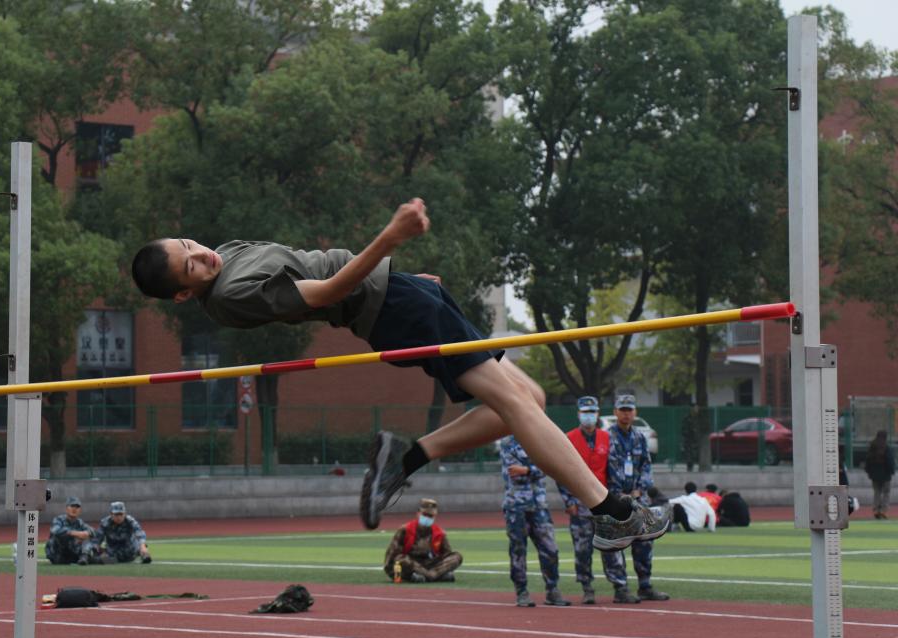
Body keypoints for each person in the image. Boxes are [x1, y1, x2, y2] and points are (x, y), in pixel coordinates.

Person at [131, 200, 667, 550]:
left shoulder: (225, 255)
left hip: (402, 295)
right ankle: (609, 510)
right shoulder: (231, 294)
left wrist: (404, 277)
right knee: (520, 407)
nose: (200, 255)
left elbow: (315, 263)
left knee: (528, 393)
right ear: (184, 293)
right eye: (189, 266)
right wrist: (391, 238)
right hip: (393, 312)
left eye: (187, 244)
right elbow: (326, 292)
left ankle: (407, 456)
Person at [558, 396, 633, 605]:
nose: (588, 416)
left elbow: (614, 470)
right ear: (578, 414)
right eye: (584, 412)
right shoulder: (568, 438)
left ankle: (620, 587)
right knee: (582, 548)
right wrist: (568, 501)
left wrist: (616, 499)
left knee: (613, 544)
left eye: (592, 412)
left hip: (604, 501)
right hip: (579, 502)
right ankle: (587, 587)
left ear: (598, 414)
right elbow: (561, 471)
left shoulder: (607, 438)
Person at [605, 394, 670, 601]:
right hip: (614, 499)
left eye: (629, 409)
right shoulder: (607, 437)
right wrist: (618, 493)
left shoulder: (640, 437)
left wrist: (640, 490)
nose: (626, 413)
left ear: (635, 412)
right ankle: (620, 587)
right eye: (622, 409)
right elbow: (607, 468)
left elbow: (646, 467)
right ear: (615, 412)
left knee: (644, 540)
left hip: (637, 498)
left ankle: (645, 584)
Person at [499, 435, 572, 607]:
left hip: (539, 505)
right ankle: (522, 591)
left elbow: (551, 468)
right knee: (518, 550)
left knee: (550, 548)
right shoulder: (507, 444)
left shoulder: (541, 441)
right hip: (516, 506)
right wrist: (535, 470)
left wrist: (527, 470)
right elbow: (514, 473)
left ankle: (552, 590)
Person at [383, 499, 462, 583]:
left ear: (435, 516)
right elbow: (392, 556)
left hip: (430, 565)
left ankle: (426, 576)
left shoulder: (439, 533)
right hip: (410, 564)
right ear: (418, 513)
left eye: (430, 516)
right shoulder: (405, 530)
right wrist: (392, 571)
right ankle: (434, 577)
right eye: (425, 515)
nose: (427, 518)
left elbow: (446, 555)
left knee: (456, 557)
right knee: (401, 559)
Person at [45, 496, 97, 566]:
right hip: (57, 555)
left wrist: (86, 533)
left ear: (80, 510)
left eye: (77, 507)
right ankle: (89, 558)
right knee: (62, 536)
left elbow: (93, 531)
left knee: (87, 538)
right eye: (72, 506)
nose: (74, 509)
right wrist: (75, 533)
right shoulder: (59, 520)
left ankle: (84, 558)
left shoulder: (79, 522)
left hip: (72, 554)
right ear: (66, 508)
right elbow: (55, 531)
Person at [864, 430, 895, 520]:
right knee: (886, 493)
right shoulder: (887, 448)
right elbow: (890, 461)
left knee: (877, 492)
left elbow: (867, 461)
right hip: (886, 475)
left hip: (874, 475)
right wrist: (892, 471)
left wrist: (869, 472)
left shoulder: (872, 447)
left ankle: (876, 510)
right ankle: (883, 511)